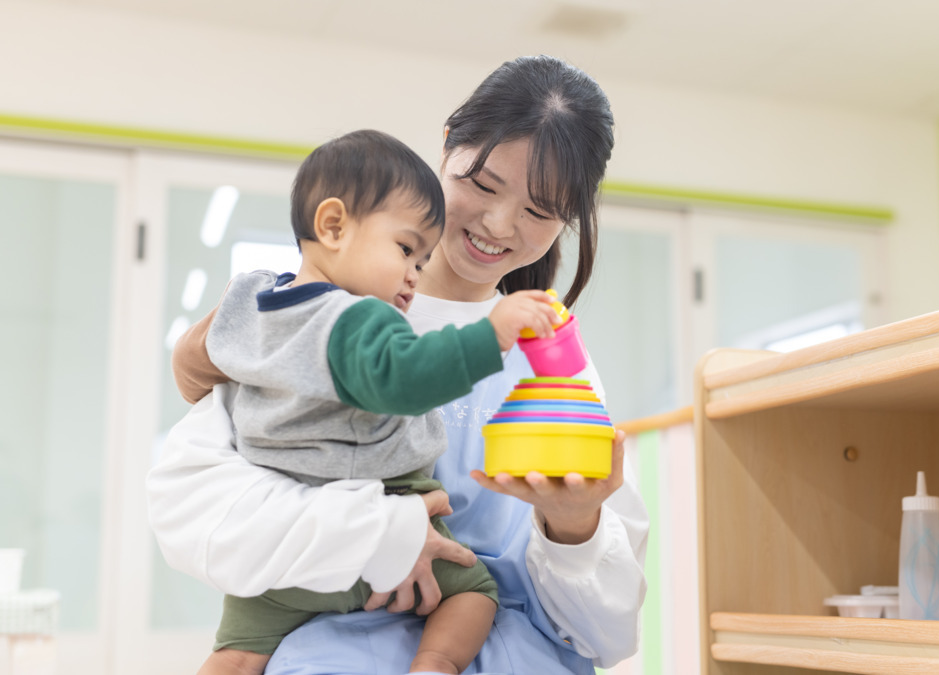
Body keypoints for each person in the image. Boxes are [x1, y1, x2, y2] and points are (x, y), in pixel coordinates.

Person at [148, 55, 649, 675]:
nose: (498, 225)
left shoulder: (554, 364)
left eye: (540, 212)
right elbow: (193, 512)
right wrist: (376, 535)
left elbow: (607, 633)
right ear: (447, 145)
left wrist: (575, 529)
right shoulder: (309, 318)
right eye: (484, 185)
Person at [181, 129, 561, 675]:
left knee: (237, 653)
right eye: (406, 250)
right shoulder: (359, 318)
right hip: (387, 521)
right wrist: (491, 334)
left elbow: (198, 370)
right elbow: (407, 378)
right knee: (474, 593)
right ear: (333, 225)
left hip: (286, 557)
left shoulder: (252, 307)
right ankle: (433, 665)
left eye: (422, 257)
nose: (415, 272)